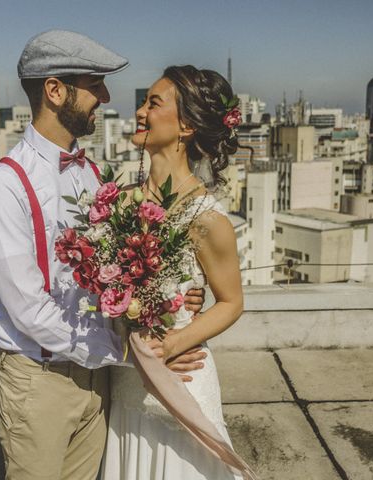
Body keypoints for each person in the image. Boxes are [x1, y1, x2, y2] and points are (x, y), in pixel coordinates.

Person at [0, 31, 206, 480]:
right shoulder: (4, 185)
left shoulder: (94, 175)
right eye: (94, 83)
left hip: (97, 376)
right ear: (55, 91)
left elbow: (117, 273)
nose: (106, 96)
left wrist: (171, 299)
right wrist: (130, 353)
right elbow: (28, 308)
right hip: (40, 382)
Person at [102, 65, 246, 479]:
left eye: (153, 103)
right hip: (127, 386)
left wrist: (173, 343)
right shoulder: (118, 205)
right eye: (143, 102)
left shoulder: (206, 217)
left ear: (185, 125)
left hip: (182, 383)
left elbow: (232, 302)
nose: (140, 112)